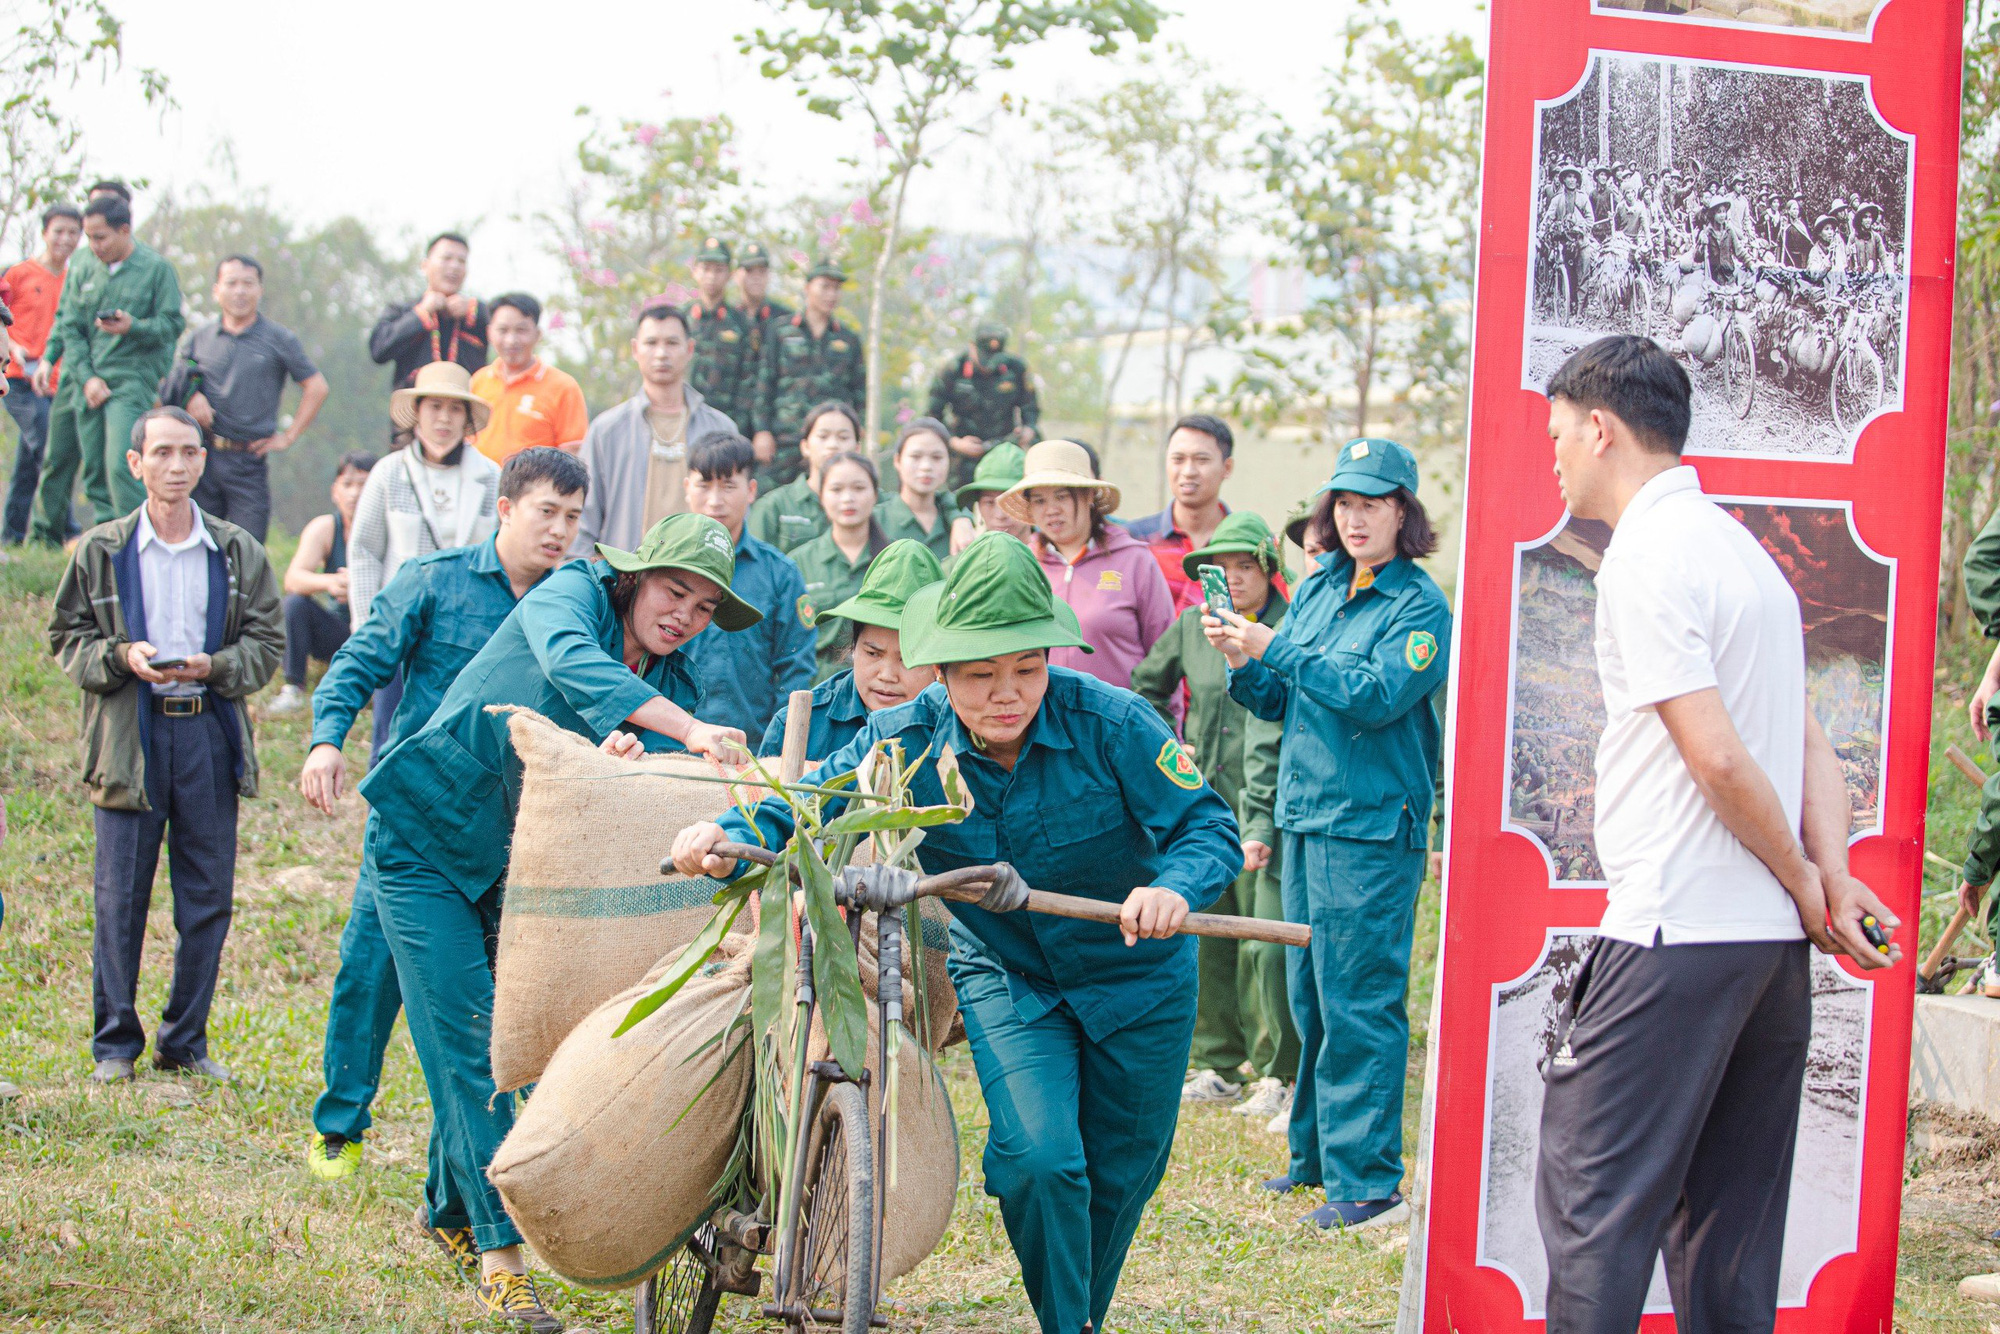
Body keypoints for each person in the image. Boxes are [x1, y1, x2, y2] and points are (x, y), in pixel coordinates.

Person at [675, 532, 1243, 1334]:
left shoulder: (1113, 723)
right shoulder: (905, 736)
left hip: (1137, 979)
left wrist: (1172, 887)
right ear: (939, 672)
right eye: (980, 676)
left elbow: (1207, 827)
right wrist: (723, 835)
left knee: (1117, 1178)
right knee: (1038, 1164)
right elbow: (810, 802)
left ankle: (1071, 1320)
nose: (1007, 693)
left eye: (1027, 669)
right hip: (1010, 977)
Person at [1533, 336, 1901, 1328]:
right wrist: (1822, 875)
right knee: (1728, 1237)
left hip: (1671, 939)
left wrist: (1804, 878)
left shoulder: (1646, 559)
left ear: (1599, 428)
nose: (1553, 456)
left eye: (1557, 434)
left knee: (1591, 1217)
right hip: (1763, 962)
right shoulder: (1740, 552)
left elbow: (1723, 759)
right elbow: (1809, 741)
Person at [359, 513, 754, 1330]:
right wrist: (680, 733)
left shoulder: (670, 680)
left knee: (505, 1037)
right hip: (423, 836)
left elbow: (642, 775)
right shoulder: (570, 591)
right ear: (634, 577)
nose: (684, 614)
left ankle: (450, 1213)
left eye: (706, 606)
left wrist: (629, 765)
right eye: (674, 590)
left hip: (520, 868)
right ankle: (503, 1264)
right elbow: (571, 664)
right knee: (469, 1036)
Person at [297, 447, 589, 1184]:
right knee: (370, 970)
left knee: (480, 1000)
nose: (558, 530)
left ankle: (455, 1168)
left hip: (511, 830)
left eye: (573, 518)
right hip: (419, 815)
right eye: (544, 512)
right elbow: (361, 661)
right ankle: (340, 1126)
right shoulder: (436, 581)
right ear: (504, 509)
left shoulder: (574, 606)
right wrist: (328, 740)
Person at [1206, 435, 1450, 1230]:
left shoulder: (1419, 606)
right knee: (1308, 996)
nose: (1353, 517)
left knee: (1360, 999)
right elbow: (1284, 699)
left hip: (1372, 830)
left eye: (1372, 503)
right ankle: (1315, 1160)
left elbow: (1375, 694)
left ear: (1403, 513)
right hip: (1308, 817)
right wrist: (1243, 660)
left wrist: (1277, 645)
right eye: (1344, 502)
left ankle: (1371, 1185)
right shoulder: (1321, 589)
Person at [46, 406, 283, 1084]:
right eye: (162, 454)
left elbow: (266, 644)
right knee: (119, 895)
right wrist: (121, 655)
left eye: (189, 453)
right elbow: (66, 637)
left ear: (204, 461)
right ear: (135, 463)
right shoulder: (102, 551)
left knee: (208, 895)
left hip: (207, 729)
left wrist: (215, 666)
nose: (176, 467)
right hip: (132, 736)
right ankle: (115, 1043)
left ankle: (185, 1041)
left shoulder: (235, 550)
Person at [1132, 512, 1297, 1122]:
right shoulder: (1190, 627)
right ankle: (1218, 1061)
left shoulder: (1286, 630)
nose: (1233, 579)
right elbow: (1145, 685)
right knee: (1207, 930)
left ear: (1268, 572)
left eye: (1245, 568)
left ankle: (1277, 1067)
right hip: (1204, 802)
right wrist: (1171, 743)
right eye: (1220, 570)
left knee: (1266, 942)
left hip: (1270, 803)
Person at [349, 361, 501, 767]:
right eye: (435, 407)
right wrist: (368, 630)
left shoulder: (491, 476)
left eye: (455, 410)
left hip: (468, 633)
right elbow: (364, 551)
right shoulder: (388, 473)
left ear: (467, 419)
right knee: (392, 735)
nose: (444, 419)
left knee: (461, 739)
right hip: (400, 628)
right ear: (417, 413)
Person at [33, 194, 185, 531]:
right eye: (88, 237)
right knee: (94, 470)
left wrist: (135, 326)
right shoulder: (84, 266)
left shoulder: (156, 269)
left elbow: (172, 326)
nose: (92, 245)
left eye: (100, 237)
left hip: (130, 378)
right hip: (86, 376)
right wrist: (86, 378)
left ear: (125, 230)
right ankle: (105, 539)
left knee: (121, 463)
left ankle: (139, 535)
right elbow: (70, 325)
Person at [170, 254, 330, 543]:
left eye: (248, 283)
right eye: (231, 283)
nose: (240, 291)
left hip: (248, 460)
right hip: (203, 456)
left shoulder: (278, 338)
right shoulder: (199, 338)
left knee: (249, 550)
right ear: (216, 290)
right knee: (197, 544)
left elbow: (316, 386)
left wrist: (289, 436)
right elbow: (175, 384)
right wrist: (192, 398)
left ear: (260, 289)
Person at [999, 439, 1175, 692]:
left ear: (1088, 496)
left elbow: (1165, 657)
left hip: (1118, 724)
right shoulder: (1021, 564)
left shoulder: (1135, 560)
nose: (1051, 510)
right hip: (1042, 725)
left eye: (1061, 496)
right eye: (1039, 501)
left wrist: (1160, 726)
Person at [678, 431, 816, 743]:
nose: (715, 500)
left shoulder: (780, 575)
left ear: (751, 490)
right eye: (704, 485)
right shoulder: (658, 568)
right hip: (669, 745)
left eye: (728, 486)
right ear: (687, 488)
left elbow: (796, 672)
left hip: (751, 751)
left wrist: (776, 746)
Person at [755, 537, 943, 759]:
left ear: (938, 664)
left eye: (907, 659)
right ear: (854, 647)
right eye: (873, 653)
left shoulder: (961, 729)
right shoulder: (800, 727)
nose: (887, 675)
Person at [571, 301, 734, 556]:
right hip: (621, 577)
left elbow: (735, 516)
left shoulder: (720, 428)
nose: (661, 353)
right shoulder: (607, 430)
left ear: (689, 349)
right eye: (651, 343)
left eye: (671, 343)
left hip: (698, 575)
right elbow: (584, 515)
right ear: (635, 349)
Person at [268, 451, 377, 716]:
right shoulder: (325, 527)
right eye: (347, 484)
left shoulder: (392, 527)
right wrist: (330, 582)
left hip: (381, 635)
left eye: (364, 485)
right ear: (334, 491)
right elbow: (293, 578)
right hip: (341, 632)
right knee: (294, 603)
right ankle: (293, 687)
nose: (354, 494)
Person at [3, 203, 82, 543]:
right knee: (49, 447)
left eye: (72, 232)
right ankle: (67, 530)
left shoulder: (77, 278)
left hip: (58, 382)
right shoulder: (19, 274)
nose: (65, 238)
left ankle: (11, 534)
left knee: (30, 459)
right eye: (59, 230)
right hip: (19, 378)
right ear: (45, 232)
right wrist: (13, 348)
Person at [752, 259, 866, 488]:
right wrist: (762, 431)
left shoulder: (848, 339)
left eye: (836, 288)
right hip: (786, 439)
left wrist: (857, 432)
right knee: (774, 500)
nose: (831, 294)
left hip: (830, 443)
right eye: (825, 286)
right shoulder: (781, 330)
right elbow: (765, 382)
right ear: (807, 288)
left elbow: (859, 394)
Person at [1124, 415, 1240, 613]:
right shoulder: (1134, 540)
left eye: (1202, 460)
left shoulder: (1251, 543)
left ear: (1227, 468)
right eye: (1178, 459)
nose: (1188, 471)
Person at [791, 449, 888, 682]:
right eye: (836, 489)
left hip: (882, 689)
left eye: (858, 488)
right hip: (817, 691)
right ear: (821, 495)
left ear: (875, 494)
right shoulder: (798, 563)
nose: (848, 498)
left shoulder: (892, 558)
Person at [468, 293, 587, 463]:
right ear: (489, 333)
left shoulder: (563, 387)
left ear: (538, 334)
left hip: (535, 488)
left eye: (521, 330)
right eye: (503, 330)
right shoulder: (478, 381)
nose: (511, 340)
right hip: (481, 486)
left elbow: (573, 453)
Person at [368, 232, 489, 398]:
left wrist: (473, 309)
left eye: (461, 261)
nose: (454, 266)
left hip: (466, 416)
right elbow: (378, 350)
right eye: (447, 258)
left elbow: (505, 328)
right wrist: (421, 313)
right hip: (412, 418)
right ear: (425, 266)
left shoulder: (478, 315)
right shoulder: (402, 311)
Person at [924, 321, 1040, 491]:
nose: (989, 365)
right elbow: (932, 417)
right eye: (984, 356)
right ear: (972, 346)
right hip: (964, 455)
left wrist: (1028, 429)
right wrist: (954, 442)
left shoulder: (1016, 369)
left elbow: (1030, 407)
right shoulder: (952, 370)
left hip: (1004, 449)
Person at [745, 399, 859, 555]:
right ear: (805, 446)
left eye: (843, 437)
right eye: (823, 436)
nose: (833, 445)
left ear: (857, 448)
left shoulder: (875, 505)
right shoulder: (773, 507)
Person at [876, 416, 974, 560]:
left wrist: (961, 517)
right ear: (897, 461)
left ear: (949, 461)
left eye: (937, 457)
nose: (926, 466)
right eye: (916, 456)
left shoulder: (960, 522)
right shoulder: (875, 521)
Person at [686, 237, 756, 435]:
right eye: (706, 269)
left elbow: (749, 380)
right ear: (695, 271)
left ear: (729, 274)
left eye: (718, 270)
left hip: (726, 423)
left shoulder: (742, 323)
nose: (711, 276)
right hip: (683, 421)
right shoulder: (681, 320)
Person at [952, 440, 1031, 545]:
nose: (1000, 515)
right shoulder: (967, 559)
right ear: (978, 505)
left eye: (1012, 503)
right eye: (989, 502)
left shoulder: (1057, 556)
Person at [732, 239, 791, 367]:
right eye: (749, 271)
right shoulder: (728, 317)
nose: (756, 277)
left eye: (762, 271)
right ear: (736, 275)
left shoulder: (784, 318)